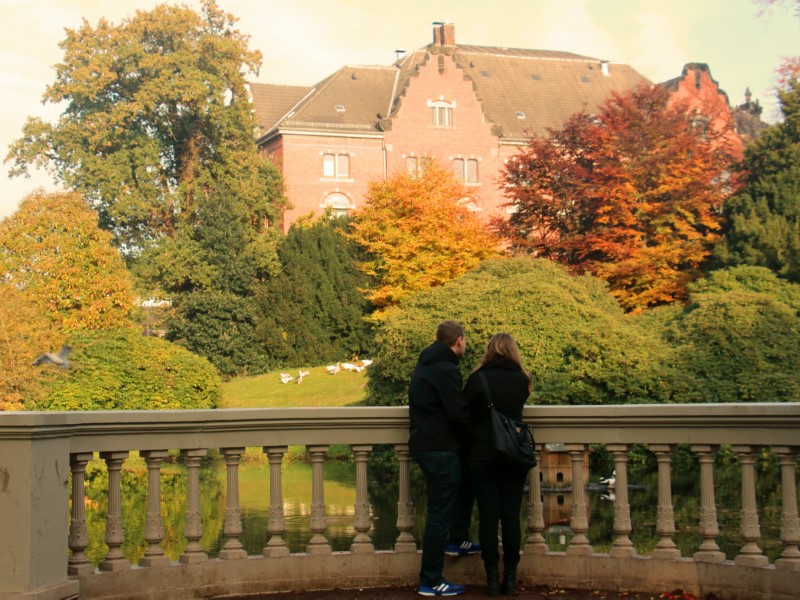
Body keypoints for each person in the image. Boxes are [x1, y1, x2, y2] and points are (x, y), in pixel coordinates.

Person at [409, 320, 479, 597]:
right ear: (458, 340)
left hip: (425, 443)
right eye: (465, 341)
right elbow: (457, 412)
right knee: (438, 515)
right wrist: (475, 437)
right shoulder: (446, 369)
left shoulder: (426, 364)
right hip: (440, 447)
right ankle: (431, 580)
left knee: (446, 504)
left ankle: (456, 540)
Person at [463, 333, 533, 597]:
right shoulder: (522, 379)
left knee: (488, 518)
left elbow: (465, 414)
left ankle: (492, 579)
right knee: (511, 518)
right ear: (513, 351)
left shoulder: (477, 379)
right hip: (514, 454)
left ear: (489, 350)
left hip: (484, 454)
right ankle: (511, 578)